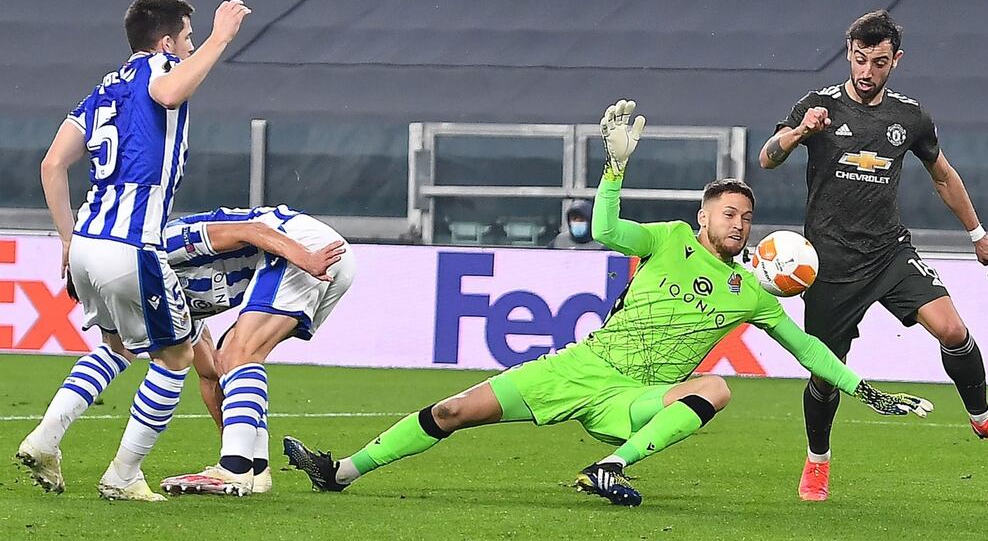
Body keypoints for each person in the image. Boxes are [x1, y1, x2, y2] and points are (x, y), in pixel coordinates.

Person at [281, 100, 931, 507]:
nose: (739, 222)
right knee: (453, 410)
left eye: (746, 215)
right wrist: (614, 170)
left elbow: (806, 346)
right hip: (581, 367)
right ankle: (340, 471)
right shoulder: (670, 239)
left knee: (715, 388)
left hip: (636, 400)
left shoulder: (749, 293)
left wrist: (865, 389)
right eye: (729, 212)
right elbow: (605, 230)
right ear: (704, 217)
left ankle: (610, 466)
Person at [758, 10, 988, 502]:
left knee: (953, 330)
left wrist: (978, 234)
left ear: (895, 60)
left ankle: (984, 418)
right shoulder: (817, 105)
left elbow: (943, 175)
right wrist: (799, 132)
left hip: (888, 253)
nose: (867, 71)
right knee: (827, 374)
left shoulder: (911, 117)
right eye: (860, 59)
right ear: (849, 53)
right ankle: (817, 461)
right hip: (830, 264)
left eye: (878, 62)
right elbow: (767, 158)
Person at [19, 0, 250, 501]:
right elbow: (168, 93)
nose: (191, 48)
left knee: (116, 348)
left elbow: (52, 165)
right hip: (130, 243)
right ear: (166, 42)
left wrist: (66, 239)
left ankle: (46, 438)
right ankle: (123, 475)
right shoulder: (159, 68)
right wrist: (222, 38)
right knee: (177, 356)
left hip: (86, 241)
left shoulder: (105, 88)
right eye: (188, 38)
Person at [157, 205, 357, 497]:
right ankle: (255, 468)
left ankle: (234, 468)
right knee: (227, 358)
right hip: (316, 257)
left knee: (240, 354)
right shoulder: (163, 301)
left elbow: (252, 230)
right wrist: (235, 437)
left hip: (304, 247)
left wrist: (305, 258)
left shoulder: (161, 245)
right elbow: (210, 373)